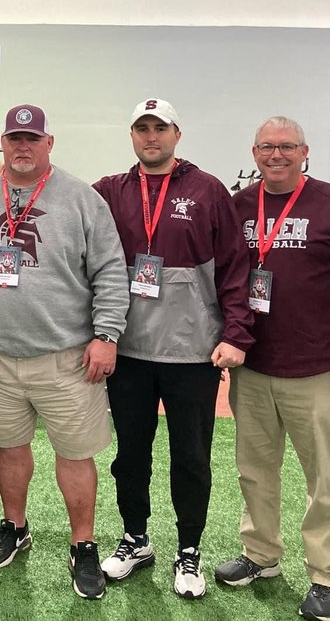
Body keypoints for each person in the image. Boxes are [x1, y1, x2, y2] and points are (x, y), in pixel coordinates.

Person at [216, 116, 330, 621]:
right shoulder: (238, 206)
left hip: (317, 369)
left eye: (287, 147)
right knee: (255, 470)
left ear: (304, 152)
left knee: (323, 479)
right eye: (268, 146)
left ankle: (326, 576)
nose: (277, 155)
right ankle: (260, 554)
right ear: (254, 151)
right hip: (254, 365)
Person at [92, 98, 254, 599]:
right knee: (130, 456)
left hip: (192, 353)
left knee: (190, 458)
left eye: (159, 128)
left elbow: (234, 269)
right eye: (141, 128)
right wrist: (2, 172)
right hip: (131, 351)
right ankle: (135, 539)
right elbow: (57, 196)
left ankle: (189, 551)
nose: (150, 137)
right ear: (132, 136)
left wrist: (235, 334)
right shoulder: (110, 191)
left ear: (176, 134)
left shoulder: (207, 191)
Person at [0, 104, 129, 600]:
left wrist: (107, 335)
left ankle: (83, 544)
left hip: (66, 356)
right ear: (2, 143)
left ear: (49, 143)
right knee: (8, 446)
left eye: (31, 139)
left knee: (75, 455)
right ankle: (15, 527)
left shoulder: (81, 198)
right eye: (14, 138)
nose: (22, 147)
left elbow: (110, 269)